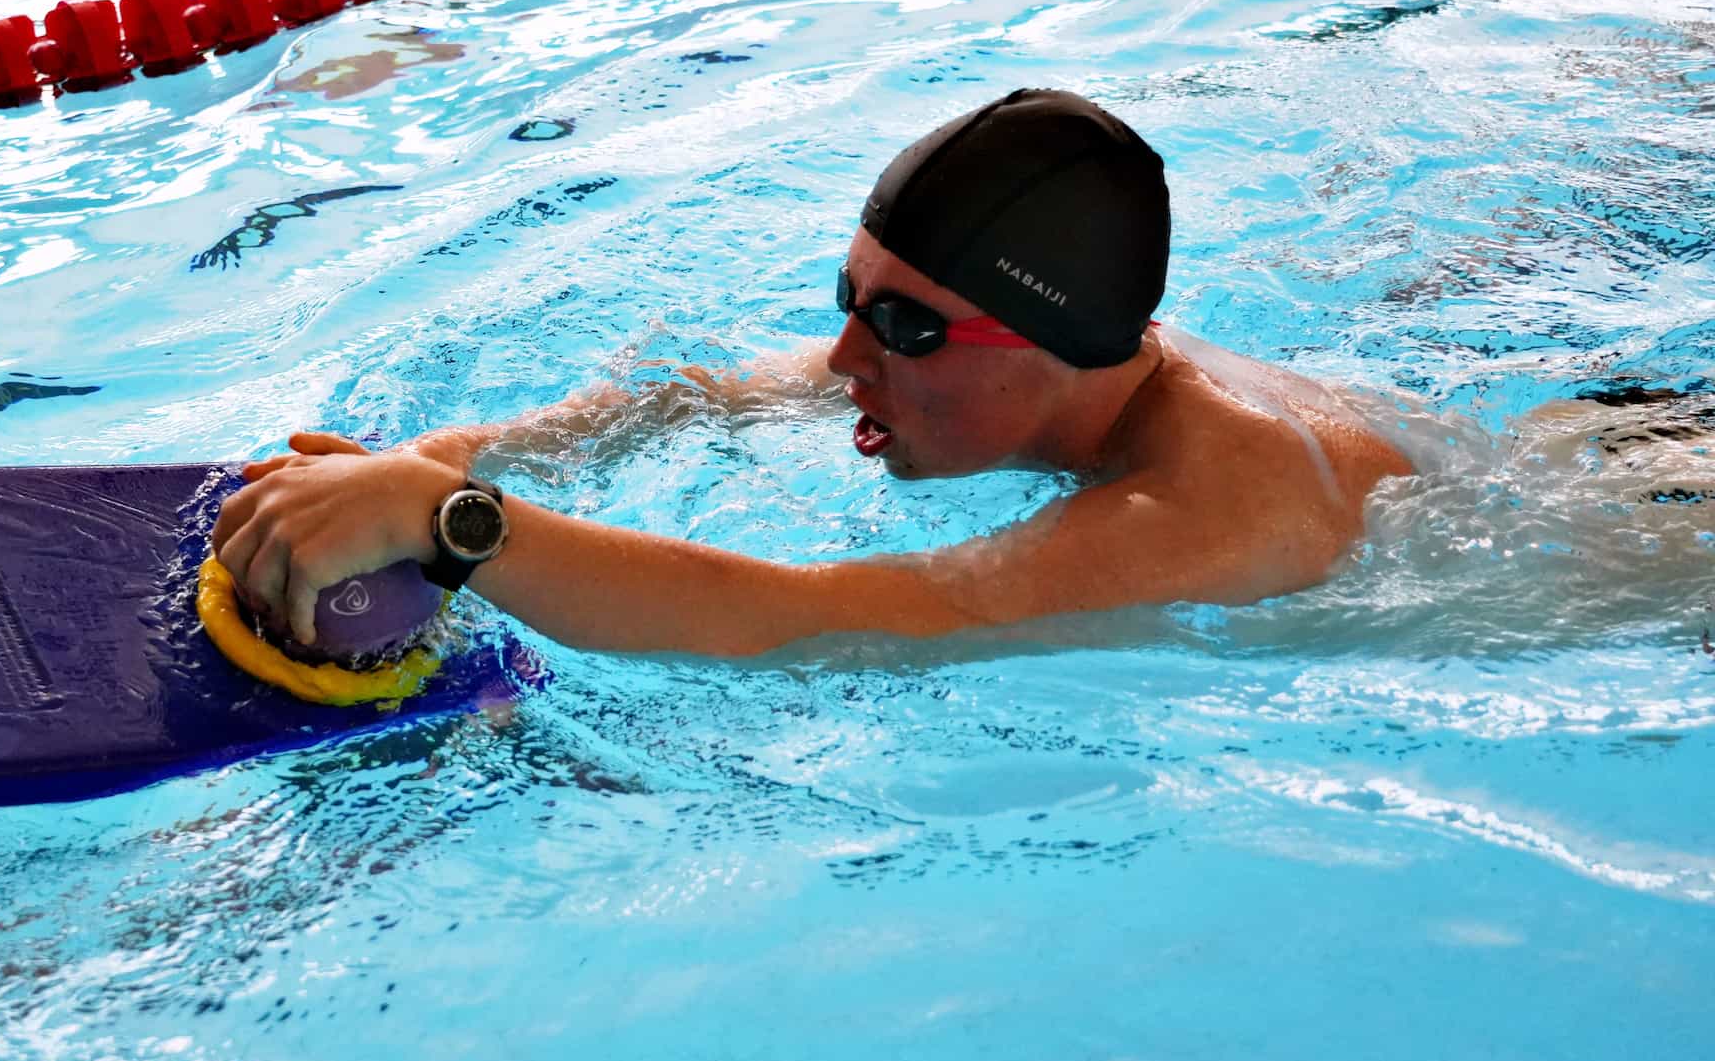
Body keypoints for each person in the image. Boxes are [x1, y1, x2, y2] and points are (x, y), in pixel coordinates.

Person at [212, 88, 1415, 659]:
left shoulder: (1202, 514)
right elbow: (699, 397)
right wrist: (452, 455)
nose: (844, 358)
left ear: (1049, 348)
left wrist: (456, 525)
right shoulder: (1088, 360)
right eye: (849, 300)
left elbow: (811, 622)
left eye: (903, 328)